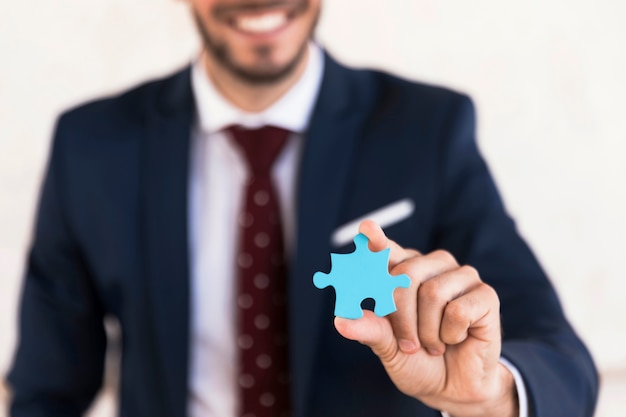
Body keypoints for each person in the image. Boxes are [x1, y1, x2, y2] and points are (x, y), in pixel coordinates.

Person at [7, 0, 598, 416]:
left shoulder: (427, 131)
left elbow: (558, 356)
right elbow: (46, 387)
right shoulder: (92, 145)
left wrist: (492, 397)